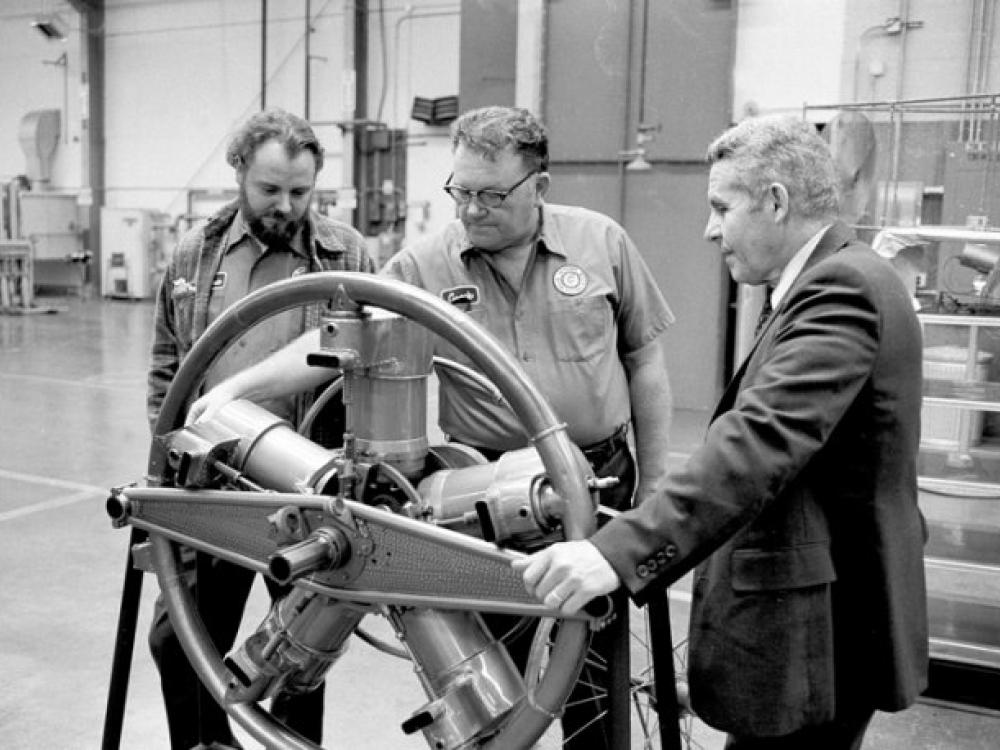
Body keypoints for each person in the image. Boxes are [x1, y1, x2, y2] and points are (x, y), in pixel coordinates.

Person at [187, 105, 676, 749]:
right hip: (487, 496)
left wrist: (656, 484)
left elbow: (644, 358)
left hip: (599, 480)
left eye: (490, 194)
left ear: (539, 187)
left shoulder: (601, 242)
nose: (470, 209)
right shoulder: (424, 267)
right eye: (460, 190)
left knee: (591, 674)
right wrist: (236, 387)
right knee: (502, 681)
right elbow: (338, 342)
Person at [514, 114, 929, 750]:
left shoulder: (840, 288)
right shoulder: (827, 280)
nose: (709, 230)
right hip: (814, 622)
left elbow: (760, 441)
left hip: (825, 632)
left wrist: (613, 551)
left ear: (776, 201)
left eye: (721, 207)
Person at [146, 107, 376, 750]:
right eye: (270, 189)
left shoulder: (344, 253)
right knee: (180, 641)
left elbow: (369, 359)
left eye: (300, 192)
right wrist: (164, 471)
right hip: (213, 479)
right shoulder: (196, 252)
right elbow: (169, 367)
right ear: (239, 172)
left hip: (307, 485)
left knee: (300, 651)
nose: (286, 205)